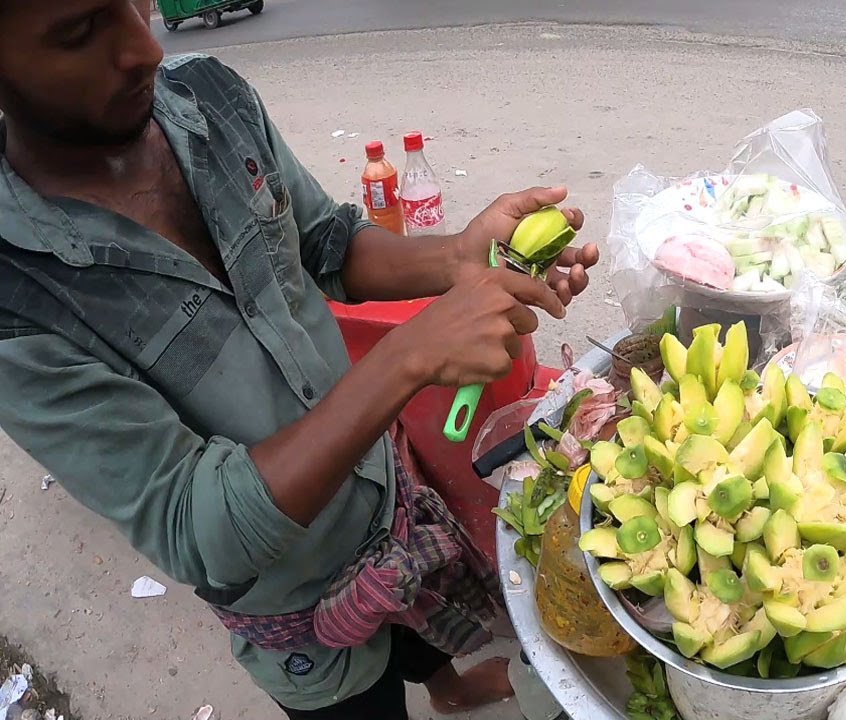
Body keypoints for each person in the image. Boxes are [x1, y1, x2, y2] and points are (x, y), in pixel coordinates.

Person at [0, 1, 600, 718]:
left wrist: (455, 256)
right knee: (359, 701)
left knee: (423, 624)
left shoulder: (210, 100)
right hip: (295, 605)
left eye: (137, 2)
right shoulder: (19, 295)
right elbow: (196, 527)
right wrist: (407, 358)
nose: (144, 48)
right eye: (78, 31)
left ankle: (446, 688)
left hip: (387, 499)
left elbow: (322, 242)